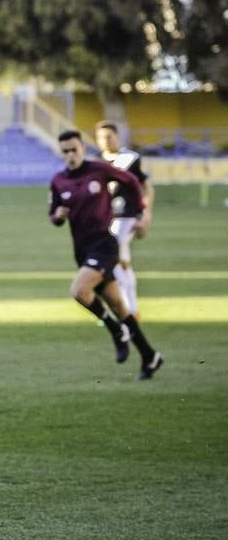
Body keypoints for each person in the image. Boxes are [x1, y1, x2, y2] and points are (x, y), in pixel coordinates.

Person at [49, 130, 162, 379]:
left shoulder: (98, 169)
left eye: (74, 149)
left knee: (79, 292)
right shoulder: (58, 180)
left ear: (82, 148)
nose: (70, 155)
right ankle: (150, 356)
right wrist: (58, 216)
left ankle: (115, 330)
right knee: (119, 306)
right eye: (65, 151)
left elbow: (132, 182)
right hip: (82, 250)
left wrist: (141, 212)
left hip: (105, 244)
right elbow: (53, 215)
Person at [94, 121, 154, 318]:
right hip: (107, 219)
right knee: (123, 263)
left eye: (109, 136)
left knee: (113, 260)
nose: (105, 140)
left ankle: (124, 311)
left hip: (128, 217)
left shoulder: (129, 159)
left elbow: (147, 186)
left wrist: (146, 213)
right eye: (101, 137)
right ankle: (131, 310)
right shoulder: (96, 162)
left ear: (117, 137)